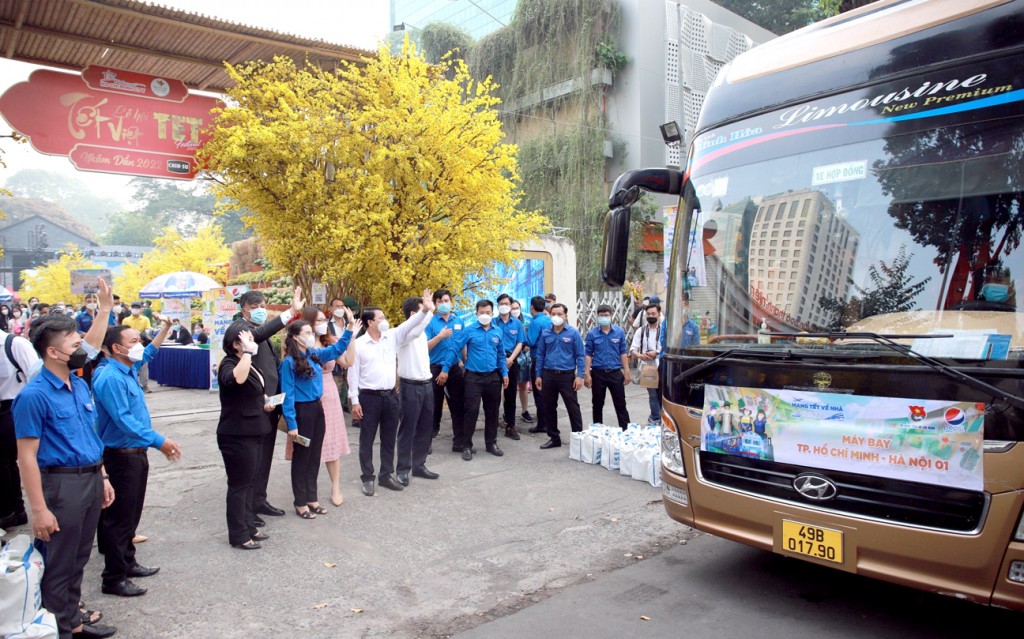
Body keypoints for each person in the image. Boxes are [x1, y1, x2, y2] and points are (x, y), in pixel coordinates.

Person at [13, 309, 118, 639]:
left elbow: (89, 436)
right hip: (61, 485)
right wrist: (39, 510)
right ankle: (59, 628)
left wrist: (101, 477)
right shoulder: (33, 395)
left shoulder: (77, 384)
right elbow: (26, 457)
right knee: (59, 563)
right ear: (53, 353)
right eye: (76, 344)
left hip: (88, 480)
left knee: (79, 557)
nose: (82, 349)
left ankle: (72, 620)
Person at [93, 317, 181, 598]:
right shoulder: (109, 377)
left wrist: (165, 329)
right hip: (120, 457)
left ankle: (128, 563)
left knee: (130, 515)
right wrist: (159, 441)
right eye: (133, 341)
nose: (139, 346)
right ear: (115, 348)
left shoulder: (126, 369)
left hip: (134, 454)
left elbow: (150, 352)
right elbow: (122, 419)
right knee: (118, 519)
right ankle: (114, 578)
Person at [349, 291, 433, 496]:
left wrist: (425, 310)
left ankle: (386, 475)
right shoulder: (359, 345)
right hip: (369, 398)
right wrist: (354, 400)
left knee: (388, 439)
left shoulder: (392, 337)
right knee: (367, 440)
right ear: (370, 322)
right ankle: (367, 478)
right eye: (381, 318)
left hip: (391, 397)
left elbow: (410, 326)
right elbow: (353, 372)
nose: (385, 320)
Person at [235, 287, 304, 520]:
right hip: (256, 406)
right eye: (255, 308)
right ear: (243, 309)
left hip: (272, 405)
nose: (260, 311)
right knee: (253, 459)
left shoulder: (258, 332)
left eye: (263, 306)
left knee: (264, 456)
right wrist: (291, 312)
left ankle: (259, 500)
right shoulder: (242, 331)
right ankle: (247, 508)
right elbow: (262, 333)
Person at [280, 313, 356, 517]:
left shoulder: (314, 354)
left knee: (314, 456)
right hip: (301, 412)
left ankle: (312, 499)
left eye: (311, 332)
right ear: (295, 337)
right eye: (306, 332)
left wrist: (349, 330)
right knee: (302, 457)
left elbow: (337, 349)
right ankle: (300, 502)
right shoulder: (288, 362)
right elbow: (288, 395)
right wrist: (292, 424)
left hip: (317, 409)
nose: (311, 335)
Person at [215, 323, 272, 550]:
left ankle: (249, 524)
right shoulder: (229, 363)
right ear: (235, 344)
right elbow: (236, 379)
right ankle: (238, 534)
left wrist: (265, 402)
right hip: (236, 435)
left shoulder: (250, 362)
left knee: (249, 483)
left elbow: (254, 390)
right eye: (247, 339)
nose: (252, 342)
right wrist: (247, 353)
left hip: (255, 430)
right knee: (239, 485)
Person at [442, 299, 508, 461]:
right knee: (471, 411)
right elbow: (454, 348)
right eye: (481, 312)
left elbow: (501, 355)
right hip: (473, 377)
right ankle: (466, 445)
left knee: (492, 411)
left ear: (493, 314)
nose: (484, 315)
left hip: (493, 377)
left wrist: (504, 373)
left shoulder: (497, 331)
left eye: (488, 312)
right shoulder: (469, 330)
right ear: (476, 313)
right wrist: (445, 369)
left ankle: (491, 443)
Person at [395, 296, 440, 485]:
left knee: (425, 427)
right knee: (408, 429)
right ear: (414, 314)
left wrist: (428, 312)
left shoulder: (422, 333)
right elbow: (415, 331)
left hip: (426, 384)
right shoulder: (403, 332)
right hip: (410, 386)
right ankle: (403, 469)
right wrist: (429, 312)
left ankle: (419, 465)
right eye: (423, 309)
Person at [0, 324, 39, 531]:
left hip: (13, 406)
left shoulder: (14, 343)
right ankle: (15, 509)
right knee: (6, 464)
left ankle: (10, 511)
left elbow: (37, 375)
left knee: (11, 461)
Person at [534, 303, 585, 449]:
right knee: (549, 407)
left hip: (567, 376)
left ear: (565, 316)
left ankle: (578, 438)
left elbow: (580, 355)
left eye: (559, 314)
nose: (556, 317)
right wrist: (538, 375)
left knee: (572, 407)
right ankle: (554, 437)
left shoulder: (573, 333)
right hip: (548, 375)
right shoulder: (546, 333)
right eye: (553, 314)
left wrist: (579, 375)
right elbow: (541, 354)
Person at [425, 289, 466, 451]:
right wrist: (440, 336)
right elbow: (425, 347)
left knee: (457, 406)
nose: (444, 304)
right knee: (433, 407)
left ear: (451, 302)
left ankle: (459, 442)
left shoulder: (459, 321)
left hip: (455, 369)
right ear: (435, 304)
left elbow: (462, 345)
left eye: (446, 300)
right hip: (435, 368)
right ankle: (427, 441)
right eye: (440, 301)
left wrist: (465, 363)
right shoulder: (430, 322)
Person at [584, 304, 631, 430]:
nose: (604, 318)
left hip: (615, 373)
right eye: (601, 315)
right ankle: (598, 430)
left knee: (620, 403)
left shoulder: (619, 332)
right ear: (597, 317)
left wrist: (626, 371)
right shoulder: (592, 334)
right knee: (597, 404)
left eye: (606, 315)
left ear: (611, 316)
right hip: (598, 374)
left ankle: (626, 431)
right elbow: (588, 354)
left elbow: (623, 352)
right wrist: (587, 374)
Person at [494, 294, 524, 440]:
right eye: (501, 303)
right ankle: (492, 424)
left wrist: (511, 358)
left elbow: (520, 342)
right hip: (494, 363)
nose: (503, 305)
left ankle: (510, 426)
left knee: (510, 395)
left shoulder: (517, 323)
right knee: (493, 395)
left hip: (512, 361)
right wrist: (501, 360)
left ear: (511, 305)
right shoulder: (493, 322)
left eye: (506, 303)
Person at [523, 296, 552, 436]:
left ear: (532, 307)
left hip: (537, 360)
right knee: (547, 393)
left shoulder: (535, 322)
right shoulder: (548, 319)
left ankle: (542, 424)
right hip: (549, 361)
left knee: (539, 393)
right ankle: (548, 421)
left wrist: (523, 335)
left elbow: (530, 341)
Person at [631, 303, 663, 425]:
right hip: (647, 367)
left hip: (662, 366)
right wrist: (640, 355)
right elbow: (633, 348)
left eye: (653, 314)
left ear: (658, 314)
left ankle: (662, 417)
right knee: (653, 395)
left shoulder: (664, 329)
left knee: (662, 394)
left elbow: (668, 347)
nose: (651, 316)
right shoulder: (641, 330)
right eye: (648, 314)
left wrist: (657, 352)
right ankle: (655, 418)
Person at [510, 299, 534, 425]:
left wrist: (525, 346)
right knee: (508, 387)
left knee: (523, 386)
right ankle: (507, 413)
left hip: (523, 360)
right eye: (512, 308)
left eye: (516, 308)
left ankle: (525, 411)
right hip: (509, 359)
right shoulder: (503, 323)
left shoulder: (527, 323)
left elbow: (529, 341)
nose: (514, 310)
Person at [122, 303, 152, 393]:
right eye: (134, 308)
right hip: (129, 344)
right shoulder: (126, 320)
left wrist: (141, 337)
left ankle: (144, 385)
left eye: (137, 308)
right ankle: (130, 383)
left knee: (144, 364)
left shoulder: (145, 319)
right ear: (131, 309)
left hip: (141, 343)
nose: (135, 309)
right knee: (128, 362)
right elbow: (123, 331)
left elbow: (147, 330)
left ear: (140, 309)